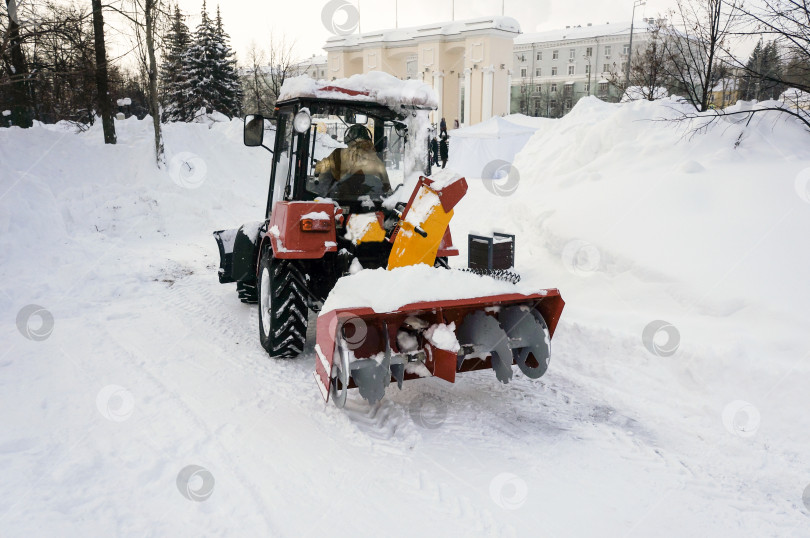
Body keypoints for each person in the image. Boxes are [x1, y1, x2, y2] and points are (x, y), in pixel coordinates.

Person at [315, 124, 391, 198]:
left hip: (341, 200)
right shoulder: (378, 161)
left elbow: (324, 173)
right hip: (372, 202)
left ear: (348, 138)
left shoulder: (338, 153)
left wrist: (319, 165)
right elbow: (386, 188)